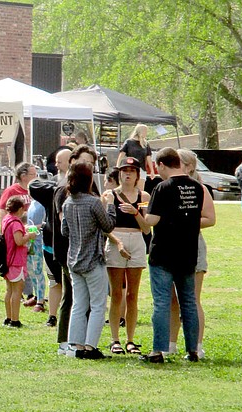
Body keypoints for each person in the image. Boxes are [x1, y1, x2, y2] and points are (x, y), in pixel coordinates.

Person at [141, 148, 213, 363]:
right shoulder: (197, 188)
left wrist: (141, 212)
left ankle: (159, 350)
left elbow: (151, 220)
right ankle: (192, 350)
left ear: (162, 165)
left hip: (163, 252)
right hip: (188, 252)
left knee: (162, 302)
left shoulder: (162, 188)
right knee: (189, 301)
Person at [61, 162, 116, 359]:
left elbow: (64, 231)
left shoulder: (67, 202)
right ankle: (90, 346)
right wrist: (110, 204)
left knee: (79, 304)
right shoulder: (93, 202)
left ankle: (75, 346)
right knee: (98, 305)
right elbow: (108, 225)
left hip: (74, 260)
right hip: (92, 259)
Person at [168, 149, 216, 358]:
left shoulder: (200, 189)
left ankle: (196, 344)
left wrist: (183, 223)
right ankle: (170, 342)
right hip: (170, 247)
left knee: (192, 298)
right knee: (171, 299)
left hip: (193, 245)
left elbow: (210, 218)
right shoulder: (167, 187)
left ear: (188, 166)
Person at [104, 157, 151, 355]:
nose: (128, 174)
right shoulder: (109, 195)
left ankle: (130, 339)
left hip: (137, 240)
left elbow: (147, 229)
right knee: (116, 293)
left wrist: (135, 212)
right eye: (124, 170)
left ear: (137, 175)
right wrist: (118, 242)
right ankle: (115, 339)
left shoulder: (144, 195)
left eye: (132, 170)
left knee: (132, 294)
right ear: (119, 174)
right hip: (116, 240)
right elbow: (105, 226)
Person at [29, 148, 70, 327]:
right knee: (54, 281)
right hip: (50, 243)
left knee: (70, 284)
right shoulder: (53, 185)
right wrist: (58, 188)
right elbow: (33, 185)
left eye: (61, 161)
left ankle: (68, 315)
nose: (56, 164)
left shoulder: (81, 187)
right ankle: (52, 316)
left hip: (69, 244)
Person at [2, 196, 38, 328]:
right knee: (17, 290)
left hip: (8, 259)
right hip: (16, 261)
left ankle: (8, 317)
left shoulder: (7, 219)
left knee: (9, 290)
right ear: (20, 209)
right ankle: (15, 320)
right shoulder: (16, 223)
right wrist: (29, 236)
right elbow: (19, 241)